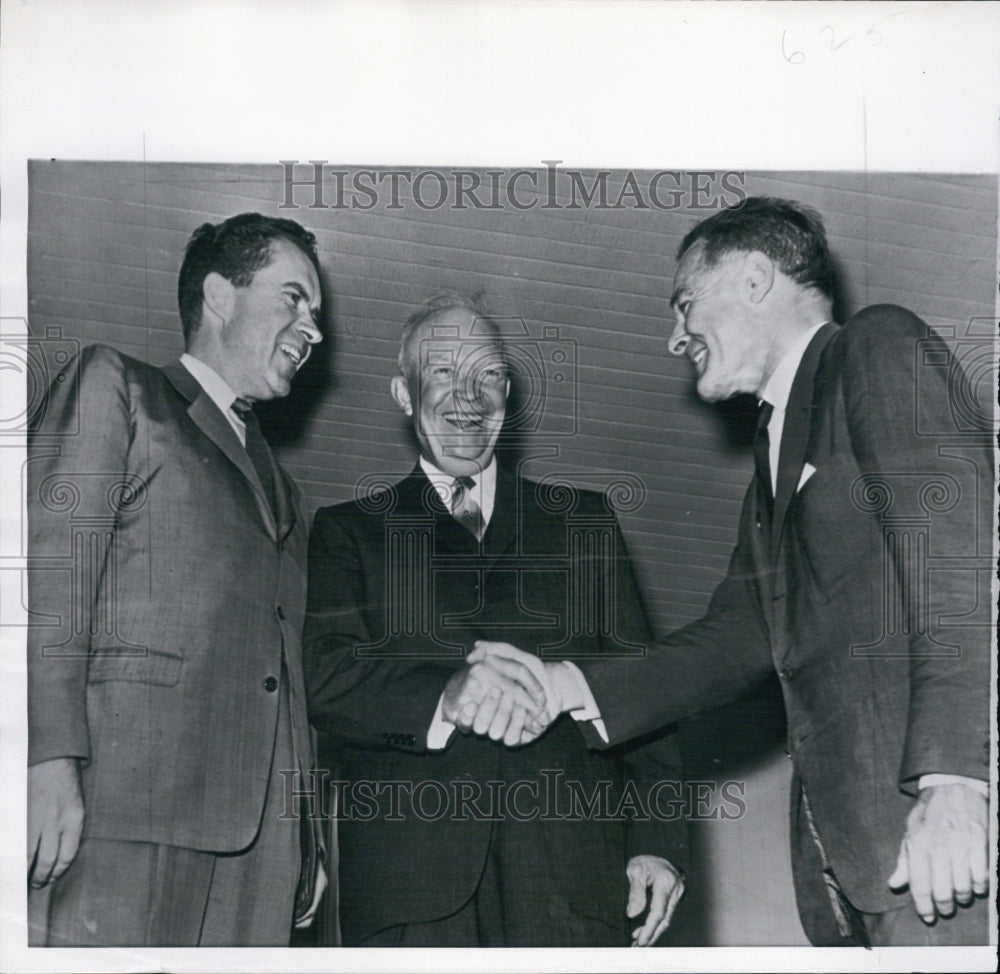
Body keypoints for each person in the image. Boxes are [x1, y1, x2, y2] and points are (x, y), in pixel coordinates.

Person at [472, 198, 991, 946]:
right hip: (855, 870)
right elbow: (733, 641)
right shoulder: (770, 469)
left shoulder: (876, 347)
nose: (674, 336)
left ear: (754, 279)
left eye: (685, 304)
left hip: (938, 840)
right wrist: (561, 687)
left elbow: (960, 563)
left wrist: (956, 784)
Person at [303, 293, 687, 947]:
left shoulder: (584, 523)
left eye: (489, 374)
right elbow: (327, 679)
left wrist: (657, 843)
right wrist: (444, 698)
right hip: (410, 898)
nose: (470, 396)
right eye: (445, 372)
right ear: (404, 393)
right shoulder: (347, 533)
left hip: (572, 888)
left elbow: (643, 692)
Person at [27, 212, 327, 946]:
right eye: (295, 298)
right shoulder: (118, 387)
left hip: (260, 850)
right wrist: (43, 759)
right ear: (221, 295)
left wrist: (308, 839)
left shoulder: (288, 493)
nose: (312, 330)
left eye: (316, 314)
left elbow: (284, 668)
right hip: (123, 807)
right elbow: (44, 584)